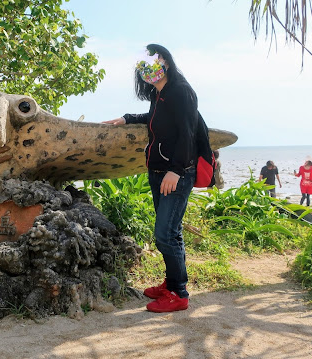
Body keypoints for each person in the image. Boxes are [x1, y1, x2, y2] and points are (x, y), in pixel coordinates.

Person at [102, 44, 197, 312]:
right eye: (142, 64)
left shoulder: (180, 92)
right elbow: (154, 120)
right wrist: (127, 118)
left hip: (175, 174)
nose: (146, 68)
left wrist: (176, 171)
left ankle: (179, 294)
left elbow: (187, 134)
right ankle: (171, 284)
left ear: (165, 61)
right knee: (171, 232)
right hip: (158, 172)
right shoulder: (160, 95)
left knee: (165, 235)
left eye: (152, 60)